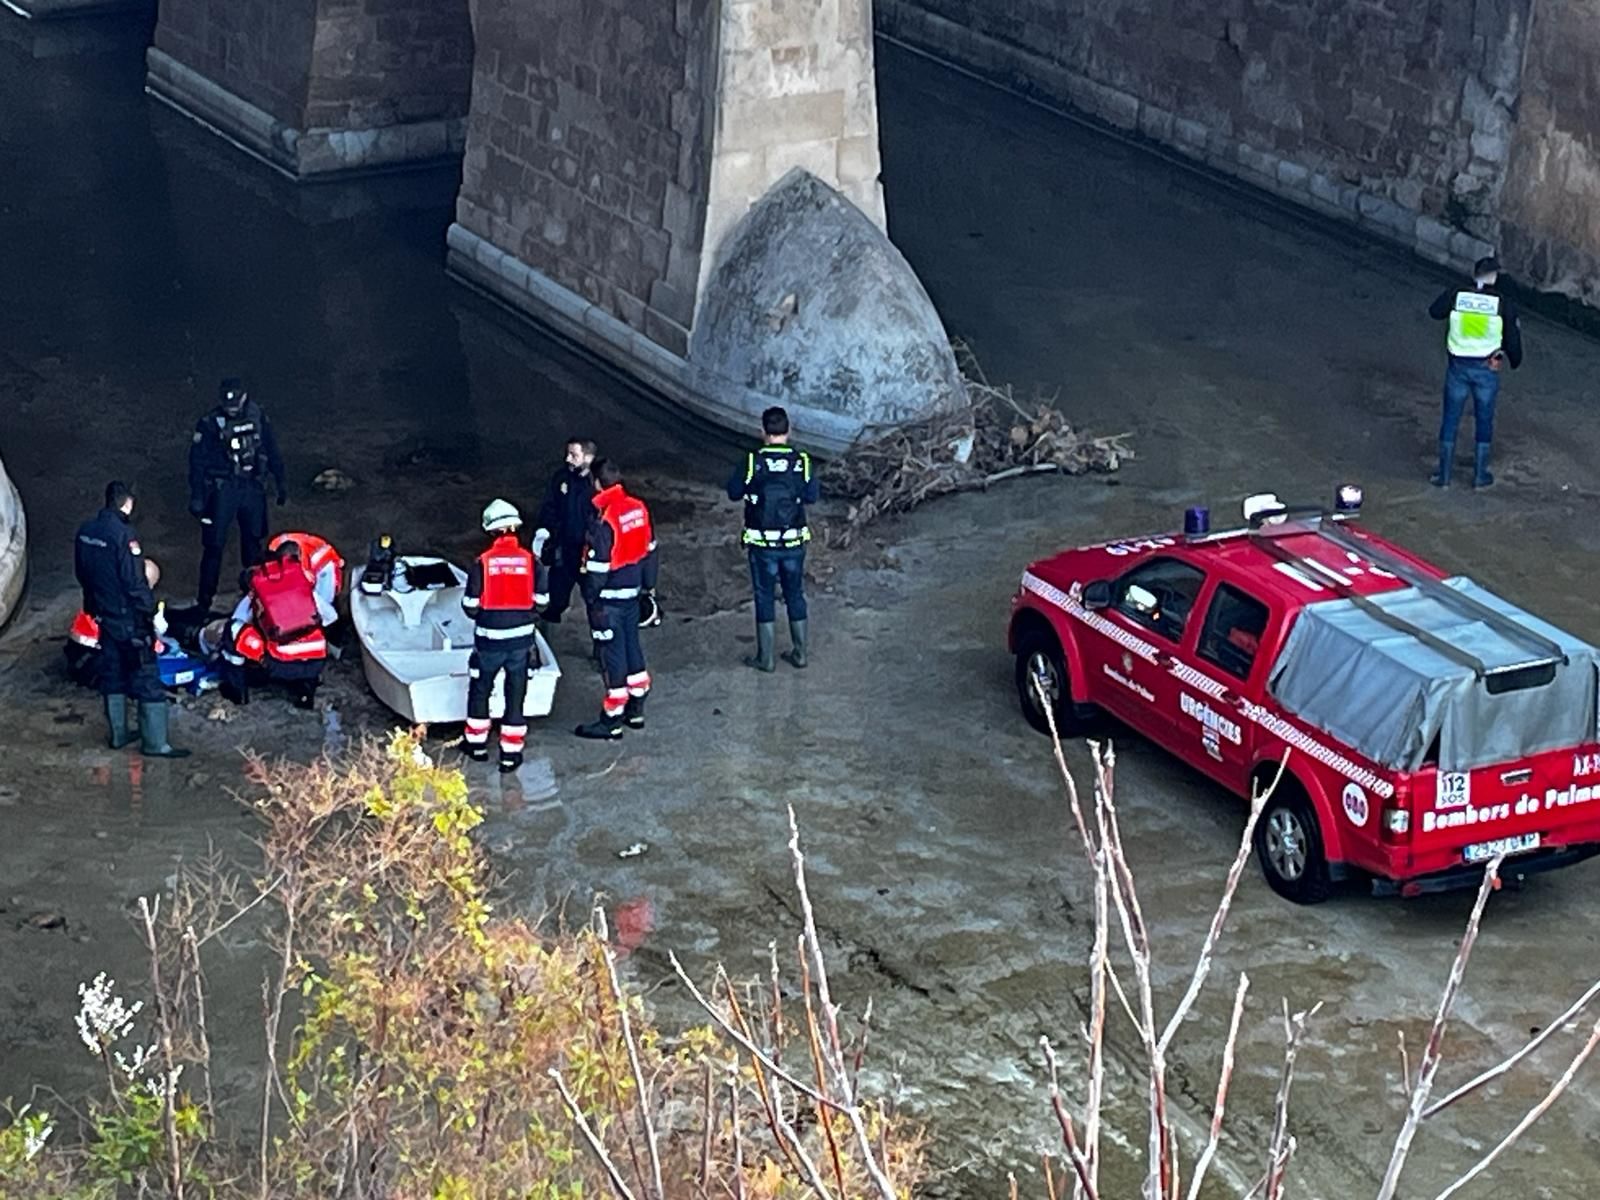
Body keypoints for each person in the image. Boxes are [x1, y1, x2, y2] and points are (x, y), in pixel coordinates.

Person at [73, 481, 189, 757]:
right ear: (127, 503)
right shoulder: (124, 535)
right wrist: (149, 612)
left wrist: (93, 605)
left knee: (112, 673)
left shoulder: (85, 532)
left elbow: (82, 572)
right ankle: (155, 744)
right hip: (128, 618)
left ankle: (119, 734)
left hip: (103, 614)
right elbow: (133, 580)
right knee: (146, 675)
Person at [726, 406, 819, 671]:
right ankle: (800, 654)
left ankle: (765, 659)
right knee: (795, 594)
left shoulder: (752, 461)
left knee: (764, 596)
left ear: (763, 432)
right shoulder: (802, 461)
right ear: (789, 431)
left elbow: (733, 492)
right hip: (793, 543)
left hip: (762, 545)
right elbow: (812, 496)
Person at [188, 377, 287, 613]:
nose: (231, 407)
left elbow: (272, 449)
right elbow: (197, 462)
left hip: (252, 487)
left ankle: (254, 598)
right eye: (227, 403)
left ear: (244, 397)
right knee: (214, 546)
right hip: (223, 489)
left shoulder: (258, 417)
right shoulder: (210, 423)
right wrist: (198, 496)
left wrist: (281, 481)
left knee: (253, 544)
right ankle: (204, 601)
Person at [576, 460, 657, 740]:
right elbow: (650, 550)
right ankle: (636, 708)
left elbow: (598, 567)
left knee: (612, 656)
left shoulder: (604, 518)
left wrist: (591, 598)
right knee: (632, 645)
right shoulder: (638, 507)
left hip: (608, 598)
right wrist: (648, 587)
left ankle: (611, 718)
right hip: (632, 592)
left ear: (598, 483)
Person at [462, 500, 546, 771]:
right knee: (516, 692)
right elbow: (543, 602)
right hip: (521, 642)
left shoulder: (482, 563)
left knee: (481, 689)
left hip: (489, 641)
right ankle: (510, 754)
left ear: (490, 531)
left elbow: (470, 605)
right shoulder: (532, 562)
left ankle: (476, 745)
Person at [1427, 256, 1523, 489]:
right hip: (1486, 369)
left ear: (1474, 274)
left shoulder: (1456, 294)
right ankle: (1480, 476)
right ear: (1494, 277)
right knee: (1484, 419)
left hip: (1458, 366)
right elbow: (1512, 336)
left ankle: (1444, 476)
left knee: (1450, 418)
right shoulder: (1502, 302)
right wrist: (1515, 360)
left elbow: (1435, 312)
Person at [219, 543, 329, 709]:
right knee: (314, 632)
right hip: (316, 661)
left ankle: (237, 692)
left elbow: (238, 619)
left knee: (232, 631)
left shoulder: (258, 591)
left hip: (279, 664)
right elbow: (330, 618)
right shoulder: (304, 587)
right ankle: (305, 695)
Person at [532, 436, 598, 624]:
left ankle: (602, 646)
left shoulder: (597, 483)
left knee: (595, 600)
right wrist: (543, 531)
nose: (568, 459)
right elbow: (550, 506)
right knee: (554, 597)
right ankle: (547, 637)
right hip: (564, 547)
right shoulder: (561, 478)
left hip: (588, 551)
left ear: (588, 457)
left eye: (573, 455)